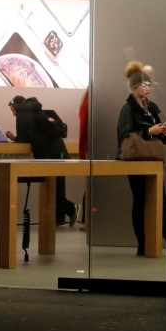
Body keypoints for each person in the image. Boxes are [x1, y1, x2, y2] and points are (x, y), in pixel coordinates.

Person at [117, 61, 166, 256]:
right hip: (136, 161)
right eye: (143, 85)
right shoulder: (128, 109)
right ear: (133, 87)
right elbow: (125, 135)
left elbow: (162, 139)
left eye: (149, 85)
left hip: (152, 161)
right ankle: (143, 243)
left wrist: (163, 132)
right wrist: (149, 131)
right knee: (140, 200)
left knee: (161, 200)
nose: (147, 88)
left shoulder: (152, 108)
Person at [6, 94, 78, 226]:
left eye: (12, 110)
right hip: (59, 150)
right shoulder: (36, 111)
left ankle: (70, 208)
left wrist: (14, 138)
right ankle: (60, 217)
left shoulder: (22, 115)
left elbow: (23, 138)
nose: (13, 114)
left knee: (52, 186)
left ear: (17, 107)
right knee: (57, 185)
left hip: (48, 153)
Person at [78, 87, 89, 230]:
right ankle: (86, 219)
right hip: (90, 150)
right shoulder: (89, 105)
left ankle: (86, 219)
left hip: (88, 149)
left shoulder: (85, 104)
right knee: (91, 187)